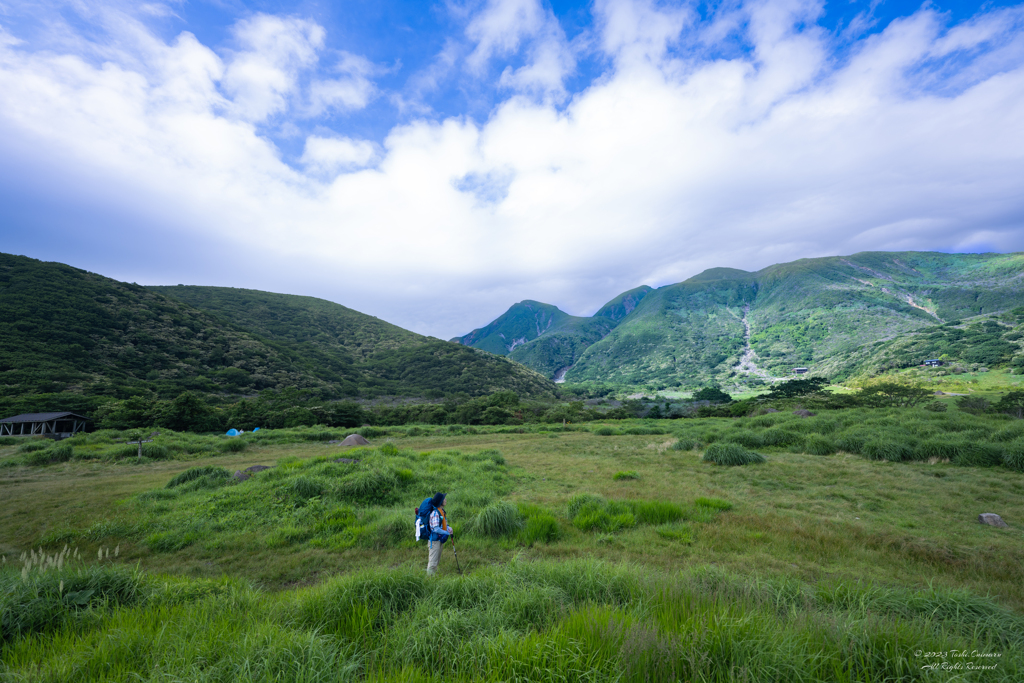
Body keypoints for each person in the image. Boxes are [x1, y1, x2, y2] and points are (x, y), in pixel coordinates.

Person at [426, 492, 453, 575]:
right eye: (443, 499)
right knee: (433, 563)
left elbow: (443, 525)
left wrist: (449, 528)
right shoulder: (435, 513)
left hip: (439, 540)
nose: (445, 500)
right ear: (440, 501)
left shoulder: (442, 512)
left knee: (436, 561)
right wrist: (446, 533)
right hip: (434, 541)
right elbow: (436, 528)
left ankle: (432, 579)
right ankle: (429, 581)